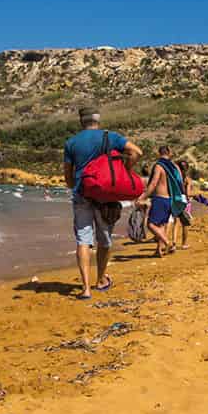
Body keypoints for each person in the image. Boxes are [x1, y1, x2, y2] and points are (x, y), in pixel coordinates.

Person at [63, 106, 142, 299]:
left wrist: (77, 186)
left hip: (82, 194)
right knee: (104, 239)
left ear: (81, 121)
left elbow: (68, 177)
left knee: (83, 240)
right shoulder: (111, 137)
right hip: (105, 196)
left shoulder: (71, 142)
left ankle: (85, 289)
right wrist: (124, 170)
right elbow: (137, 152)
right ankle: (100, 280)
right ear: (98, 120)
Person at [139, 146, 183, 258]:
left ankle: (168, 243)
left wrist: (143, 197)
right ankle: (158, 250)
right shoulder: (175, 167)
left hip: (160, 198)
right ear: (170, 152)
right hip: (171, 199)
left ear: (159, 153)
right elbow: (180, 183)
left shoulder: (159, 166)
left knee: (151, 224)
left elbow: (153, 184)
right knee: (161, 225)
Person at [173, 159, 194, 250]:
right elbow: (188, 194)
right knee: (185, 223)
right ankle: (184, 244)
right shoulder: (187, 179)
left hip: (174, 200)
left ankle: (173, 243)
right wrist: (196, 195)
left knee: (175, 222)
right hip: (184, 201)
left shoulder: (173, 178)